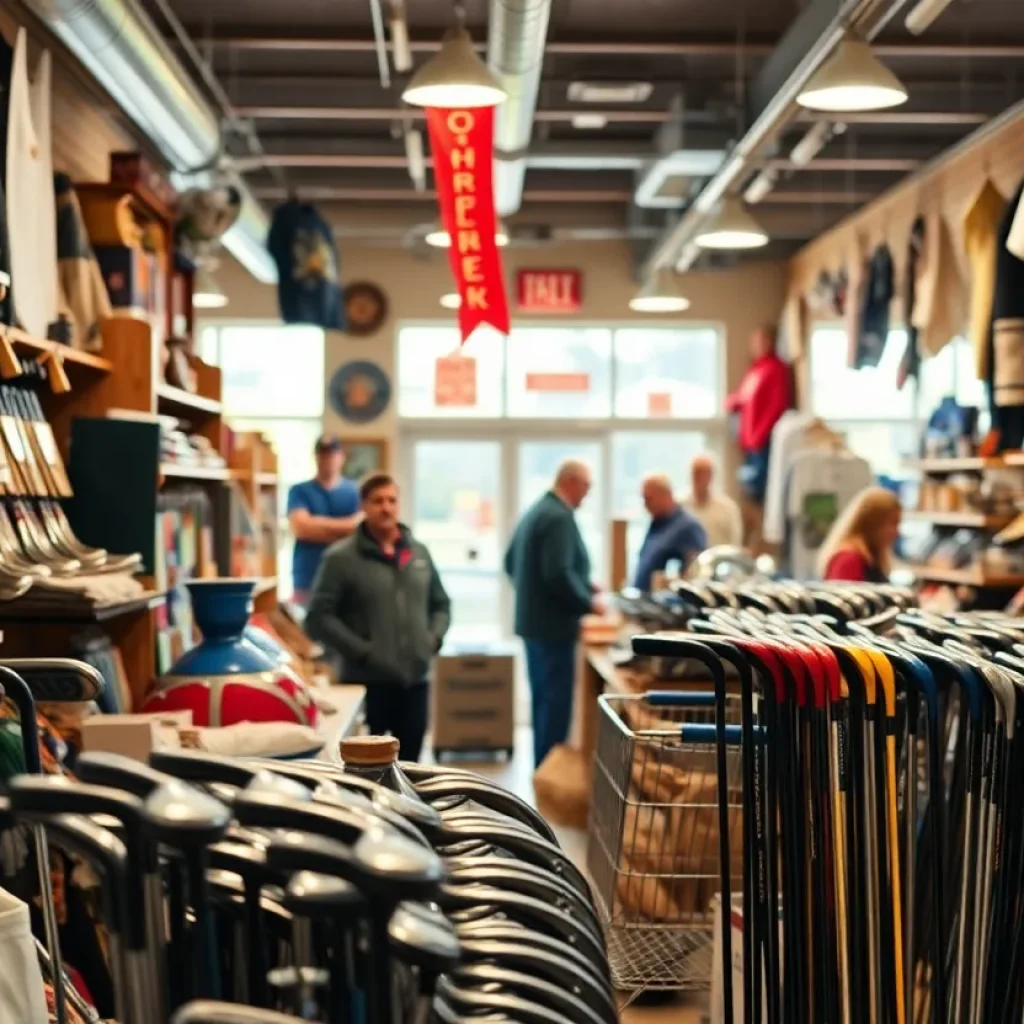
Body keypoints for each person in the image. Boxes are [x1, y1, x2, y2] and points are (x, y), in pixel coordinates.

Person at [304, 473, 450, 761]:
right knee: (367, 771)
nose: (386, 507)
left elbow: (441, 604)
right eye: (377, 501)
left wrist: (432, 639)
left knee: (411, 769)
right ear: (364, 506)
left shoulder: (418, 553)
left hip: (415, 682)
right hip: (368, 684)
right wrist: (362, 651)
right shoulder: (341, 558)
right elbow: (318, 618)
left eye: (392, 500)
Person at [504, 459, 601, 768]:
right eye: (586, 487)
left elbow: (511, 562)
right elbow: (558, 573)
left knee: (542, 705)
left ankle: (541, 772)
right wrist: (588, 602)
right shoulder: (559, 516)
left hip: (534, 626)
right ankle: (549, 777)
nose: (586, 495)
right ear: (570, 482)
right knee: (554, 708)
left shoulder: (537, 511)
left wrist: (582, 584)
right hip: (553, 630)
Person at [286, 435, 361, 605]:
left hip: (347, 579)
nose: (327, 459)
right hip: (307, 580)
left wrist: (316, 524)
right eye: (322, 454)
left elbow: (360, 529)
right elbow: (301, 528)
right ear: (316, 457)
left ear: (341, 457)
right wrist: (344, 530)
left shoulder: (355, 492)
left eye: (332, 454)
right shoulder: (299, 491)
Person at [725, 325, 792, 503]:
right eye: (755, 341)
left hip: (762, 442)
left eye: (762, 340)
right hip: (749, 443)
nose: (758, 345)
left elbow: (777, 406)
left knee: (762, 493)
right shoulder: (755, 370)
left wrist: (760, 435)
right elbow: (744, 398)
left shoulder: (775, 369)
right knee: (749, 491)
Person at [633, 473, 708, 591]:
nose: (645, 504)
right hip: (641, 602)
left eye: (649, 499)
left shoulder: (689, 528)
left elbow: (695, 576)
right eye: (643, 499)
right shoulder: (656, 522)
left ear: (666, 495)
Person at [817, 486, 901, 583]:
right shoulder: (848, 560)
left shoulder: (869, 557)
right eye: (892, 524)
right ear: (873, 523)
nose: (897, 532)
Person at [681, 454, 744, 548]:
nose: (700, 478)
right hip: (689, 561)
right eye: (697, 473)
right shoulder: (679, 506)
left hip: (720, 560)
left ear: (711, 476)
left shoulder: (728, 508)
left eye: (705, 473)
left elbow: (735, 543)